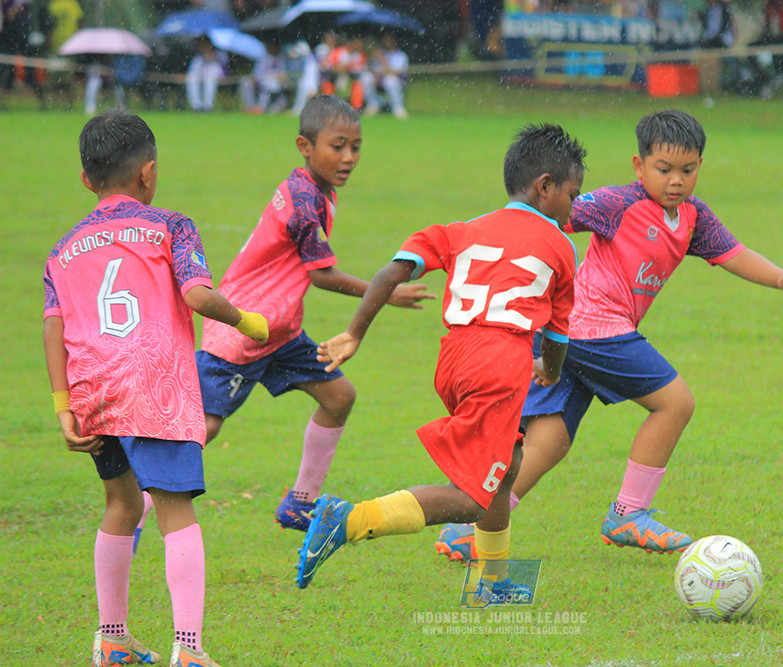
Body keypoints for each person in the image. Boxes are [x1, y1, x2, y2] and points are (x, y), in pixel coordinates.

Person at [433, 109, 783, 562]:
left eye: (688, 170)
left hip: (570, 338)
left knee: (551, 440)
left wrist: (780, 277)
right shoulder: (618, 204)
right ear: (640, 167)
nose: (675, 181)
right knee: (675, 403)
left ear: (700, 165)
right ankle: (629, 513)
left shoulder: (694, 217)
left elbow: (732, 253)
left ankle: (472, 526)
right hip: (589, 327)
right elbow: (551, 214)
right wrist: (490, 235)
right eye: (664, 170)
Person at [295, 123, 586, 601]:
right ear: (545, 186)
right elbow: (556, 333)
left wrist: (354, 332)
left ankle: (492, 582)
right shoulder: (560, 247)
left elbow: (393, 271)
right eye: (573, 196)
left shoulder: (460, 230)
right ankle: (347, 519)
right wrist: (550, 373)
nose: (573, 208)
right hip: (500, 363)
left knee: (506, 465)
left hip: (454, 357)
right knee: (472, 496)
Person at [43, 111, 269, 667]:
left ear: (85, 179)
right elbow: (196, 296)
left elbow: (53, 327)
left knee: (120, 504)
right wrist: (247, 322)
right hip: (154, 384)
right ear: (148, 173)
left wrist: (61, 405)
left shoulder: (62, 248)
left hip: (93, 389)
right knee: (174, 511)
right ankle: (189, 652)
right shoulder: (171, 225)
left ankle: (112, 640)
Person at [186, 95, 433, 537]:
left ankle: (299, 504)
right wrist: (385, 291)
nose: (349, 157)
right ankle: (142, 503)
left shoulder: (317, 191)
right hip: (241, 331)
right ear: (305, 145)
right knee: (204, 425)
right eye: (337, 146)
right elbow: (322, 275)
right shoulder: (304, 200)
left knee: (339, 397)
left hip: (279, 331)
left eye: (355, 147)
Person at [360, 33, 409, 119]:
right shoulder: (378, 53)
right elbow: (372, 69)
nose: (387, 42)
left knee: (390, 80)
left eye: (389, 40)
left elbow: (395, 72)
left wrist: (382, 60)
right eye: (385, 40)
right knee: (366, 77)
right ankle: (373, 104)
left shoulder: (400, 55)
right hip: (379, 79)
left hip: (396, 81)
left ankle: (398, 107)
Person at [186, 36, 227, 112]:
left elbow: (224, 66)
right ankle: (196, 106)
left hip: (216, 76)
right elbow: (193, 71)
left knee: (209, 80)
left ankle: (208, 106)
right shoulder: (198, 58)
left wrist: (213, 58)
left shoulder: (219, 54)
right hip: (201, 77)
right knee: (192, 79)